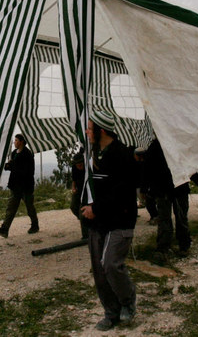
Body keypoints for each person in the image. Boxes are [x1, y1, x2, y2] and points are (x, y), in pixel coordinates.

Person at [81, 110, 137, 331]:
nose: (87, 132)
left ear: (102, 130)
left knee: (111, 264)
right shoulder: (94, 154)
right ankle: (111, 312)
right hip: (98, 222)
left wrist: (96, 208)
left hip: (119, 220)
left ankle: (128, 302)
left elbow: (122, 191)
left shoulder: (121, 154)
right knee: (99, 271)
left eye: (90, 128)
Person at [0, 134, 39, 238]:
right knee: (11, 208)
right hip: (15, 186)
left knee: (30, 207)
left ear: (21, 141)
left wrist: (13, 166)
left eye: (16, 140)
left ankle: (35, 225)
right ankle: (5, 229)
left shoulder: (27, 154)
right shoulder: (14, 153)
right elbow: (12, 167)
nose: (14, 142)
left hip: (26, 186)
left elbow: (28, 171)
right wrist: (8, 166)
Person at [69, 151, 88, 239]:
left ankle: (86, 236)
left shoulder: (88, 167)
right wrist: (73, 188)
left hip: (87, 191)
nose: (79, 166)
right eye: (78, 165)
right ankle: (86, 221)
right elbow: (74, 179)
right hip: (78, 189)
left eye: (81, 164)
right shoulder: (74, 168)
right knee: (73, 206)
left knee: (82, 212)